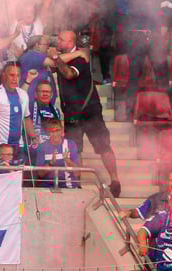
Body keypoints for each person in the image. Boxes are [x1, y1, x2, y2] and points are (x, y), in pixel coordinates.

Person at [48, 30, 121, 197]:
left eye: (61, 39)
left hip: (90, 110)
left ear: (70, 42)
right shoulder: (72, 55)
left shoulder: (80, 58)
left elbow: (68, 73)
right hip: (72, 112)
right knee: (75, 149)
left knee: (103, 146)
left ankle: (115, 181)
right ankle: (76, 185)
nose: (57, 41)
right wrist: (55, 58)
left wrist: (55, 58)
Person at [0, 62, 36, 164]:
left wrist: (33, 136)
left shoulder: (23, 94)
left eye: (18, 76)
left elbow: (27, 118)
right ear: (4, 75)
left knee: (16, 177)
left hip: (17, 146)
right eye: (12, 75)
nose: (15, 79)